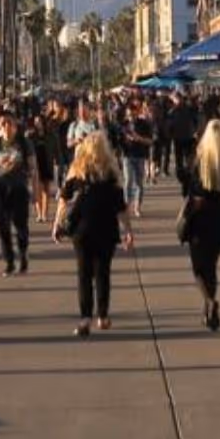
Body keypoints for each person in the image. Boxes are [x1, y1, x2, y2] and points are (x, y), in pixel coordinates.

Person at [57, 134, 135, 336]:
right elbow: (121, 208)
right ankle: (102, 315)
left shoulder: (77, 172)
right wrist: (128, 231)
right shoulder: (111, 175)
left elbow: (64, 200)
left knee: (84, 274)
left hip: (81, 231)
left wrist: (57, 224)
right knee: (103, 273)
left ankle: (85, 318)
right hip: (106, 230)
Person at [180, 119, 220, 330]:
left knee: (198, 267)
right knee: (211, 266)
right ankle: (209, 309)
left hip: (198, 219)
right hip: (218, 218)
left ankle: (209, 301)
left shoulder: (199, 160)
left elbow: (189, 189)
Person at [0, 112, 36, 276]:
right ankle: (9, 261)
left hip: (19, 189)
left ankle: (23, 257)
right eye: (2, 123)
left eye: (9, 123)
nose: (6, 127)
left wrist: (35, 192)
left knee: (21, 227)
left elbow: (33, 168)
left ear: (15, 125)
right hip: (1, 190)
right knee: (3, 227)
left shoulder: (24, 142)